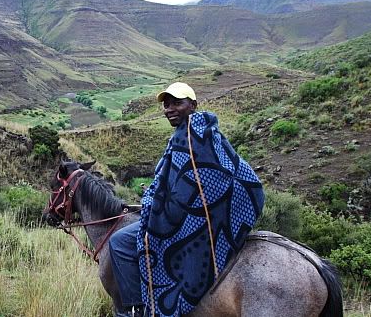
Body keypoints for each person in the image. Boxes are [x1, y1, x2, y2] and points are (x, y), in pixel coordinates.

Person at [109, 82, 265, 317]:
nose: (169, 109)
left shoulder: (192, 137)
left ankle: (135, 311)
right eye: (166, 104)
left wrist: (155, 204)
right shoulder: (200, 133)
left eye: (177, 103)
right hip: (192, 212)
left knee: (120, 242)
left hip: (194, 219)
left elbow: (199, 184)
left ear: (193, 105)